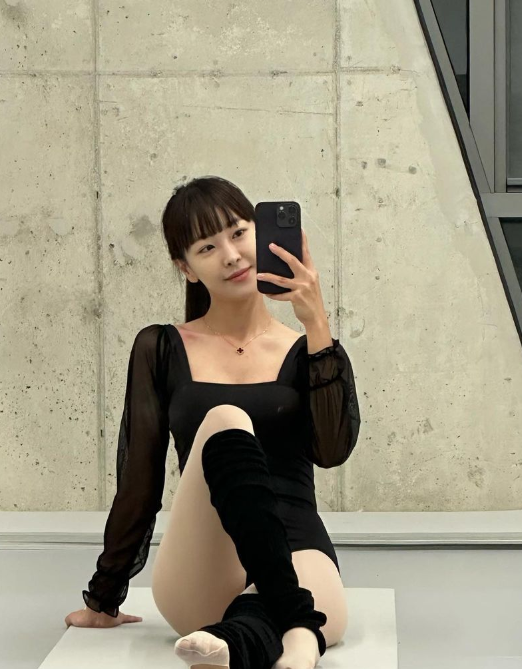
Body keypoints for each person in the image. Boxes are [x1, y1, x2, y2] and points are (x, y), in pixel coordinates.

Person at [64, 176, 361, 669]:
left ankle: (237, 644)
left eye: (239, 233)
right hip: (201, 565)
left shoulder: (309, 351)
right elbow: (139, 481)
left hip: (298, 551)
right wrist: (104, 597)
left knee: (300, 590)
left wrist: (316, 324)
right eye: (207, 247)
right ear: (186, 268)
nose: (231, 255)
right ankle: (299, 632)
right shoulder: (161, 347)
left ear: (260, 233)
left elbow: (332, 452)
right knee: (225, 418)